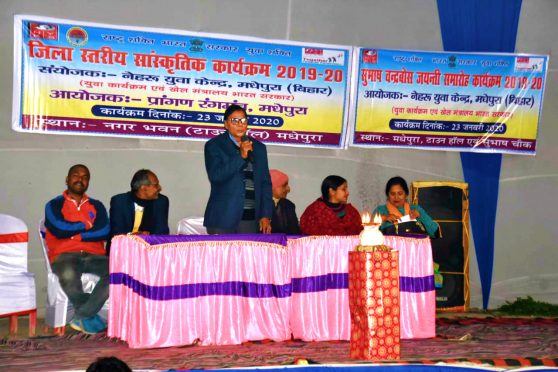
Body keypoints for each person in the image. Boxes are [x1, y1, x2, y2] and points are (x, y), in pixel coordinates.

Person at [44, 164, 110, 334]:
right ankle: (89, 316)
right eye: (76, 175)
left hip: (95, 256)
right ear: (67, 179)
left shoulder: (97, 205)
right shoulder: (54, 204)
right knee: (68, 275)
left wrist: (77, 235)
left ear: (88, 182)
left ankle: (82, 315)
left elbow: (104, 230)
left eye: (85, 177)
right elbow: (59, 227)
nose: (80, 179)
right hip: (65, 255)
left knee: (119, 272)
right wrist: (86, 225)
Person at [203, 104, 273, 234]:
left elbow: (265, 183)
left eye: (243, 120)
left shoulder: (259, 147)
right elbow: (216, 176)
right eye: (234, 121)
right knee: (222, 255)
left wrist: (266, 214)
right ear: (226, 124)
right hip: (223, 218)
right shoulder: (214, 145)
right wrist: (241, 156)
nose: (240, 124)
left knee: (247, 255)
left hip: (251, 218)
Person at [109, 169, 169, 248]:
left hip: (151, 250)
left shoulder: (161, 201)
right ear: (143, 188)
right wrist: (136, 236)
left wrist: (146, 238)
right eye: (156, 185)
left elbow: (162, 232)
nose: (159, 188)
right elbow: (117, 234)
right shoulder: (119, 202)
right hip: (122, 250)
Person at [373, 176, 439, 238]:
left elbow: (435, 233)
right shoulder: (380, 210)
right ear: (388, 195)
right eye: (392, 194)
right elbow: (368, 233)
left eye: (400, 193)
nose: (396, 197)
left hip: (414, 249)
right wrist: (384, 218)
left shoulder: (416, 209)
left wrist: (420, 216)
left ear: (406, 194)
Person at [270, 169, 300, 234]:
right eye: (284, 186)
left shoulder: (289, 205)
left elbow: (294, 231)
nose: (288, 189)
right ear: (271, 187)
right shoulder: (260, 205)